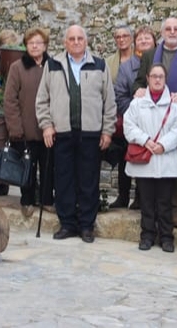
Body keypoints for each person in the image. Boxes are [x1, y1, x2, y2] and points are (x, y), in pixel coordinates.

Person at [36, 25, 117, 243]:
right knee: (64, 181)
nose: (76, 42)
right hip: (61, 133)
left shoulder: (99, 65)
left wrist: (107, 131)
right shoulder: (52, 64)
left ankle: (86, 226)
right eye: (71, 39)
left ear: (86, 41)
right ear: (65, 43)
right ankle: (68, 224)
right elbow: (42, 99)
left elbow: (109, 102)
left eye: (80, 38)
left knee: (88, 181)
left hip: (90, 134)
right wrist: (46, 125)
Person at [135, 17, 177, 227]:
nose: (172, 32)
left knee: (175, 162)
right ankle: (152, 209)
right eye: (168, 29)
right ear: (162, 33)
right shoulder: (149, 56)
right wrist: (139, 90)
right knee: (152, 161)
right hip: (152, 117)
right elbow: (139, 82)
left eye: (176, 29)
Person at [123, 64, 177, 253]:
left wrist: (163, 145)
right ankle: (147, 236)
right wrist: (146, 141)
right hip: (146, 159)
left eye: (161, 76)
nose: (157, 80)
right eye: (154, 76)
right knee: (147, 202)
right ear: (148, 78)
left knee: (165, 203)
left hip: (166, 159)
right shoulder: (137, 103)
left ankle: (166, 237)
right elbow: (129, 125)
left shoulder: (176, 105)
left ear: (165, 79)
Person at [4, 27, 54, 217]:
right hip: (25, 128)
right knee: (27, 167)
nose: (34, 46)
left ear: (45, 45)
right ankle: (27, 200)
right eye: (30, 43)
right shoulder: (17, 67)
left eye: (38, 42)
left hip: (49, 128)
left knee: (49, 166)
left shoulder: (53, 66)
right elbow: (10, 100)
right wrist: (15, 128)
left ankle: (47, 200)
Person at [111, 25, 157, 209]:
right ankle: (123, 196)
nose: (144, 41)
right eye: (140, 38)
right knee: (127, 156)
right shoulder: (126, 67)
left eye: (148, 37)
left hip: (157, 122)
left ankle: (142, 198)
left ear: (154, 41)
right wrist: (135, 115)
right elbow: (120, 95)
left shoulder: (162, 62)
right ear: (135, 42)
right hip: (132, 120)